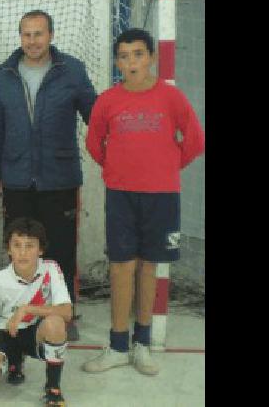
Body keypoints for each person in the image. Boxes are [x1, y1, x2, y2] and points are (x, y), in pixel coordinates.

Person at [81, 28, 204, 376]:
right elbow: (94, 143)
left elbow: (194, 140)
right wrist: (118, 168)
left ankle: (143, 344)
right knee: (121, 266)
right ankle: (118, 345)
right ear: (117, 61)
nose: (131, 62)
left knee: (149, 266)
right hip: (121, 194)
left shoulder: (171, 97)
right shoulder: (108, 100)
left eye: (137, 54)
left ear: (151, 57)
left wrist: (165, 167)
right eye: (123, 55)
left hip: (161, 196)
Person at [0, 10, 96, 340]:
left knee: (60, 251)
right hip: (16, 178)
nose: (32, 41)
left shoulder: (71, 70)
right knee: (20, 250)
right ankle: (19, 311)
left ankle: (64, 315)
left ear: (51, 35)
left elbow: (96, 115)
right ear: (20, 37)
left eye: (39, 34)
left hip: (59, 177)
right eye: (27, 34)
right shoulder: (3, 74)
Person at [0, 217, 72, 407]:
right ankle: (13, 361)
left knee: (55, 322)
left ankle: (53, 388)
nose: (22, 253)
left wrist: (27, 309)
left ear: (40, 250)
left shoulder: (51, 269)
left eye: (30, 246)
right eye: (17, 245)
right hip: (7, 331)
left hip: (34, 332)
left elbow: (67, 312)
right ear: (8, 249)